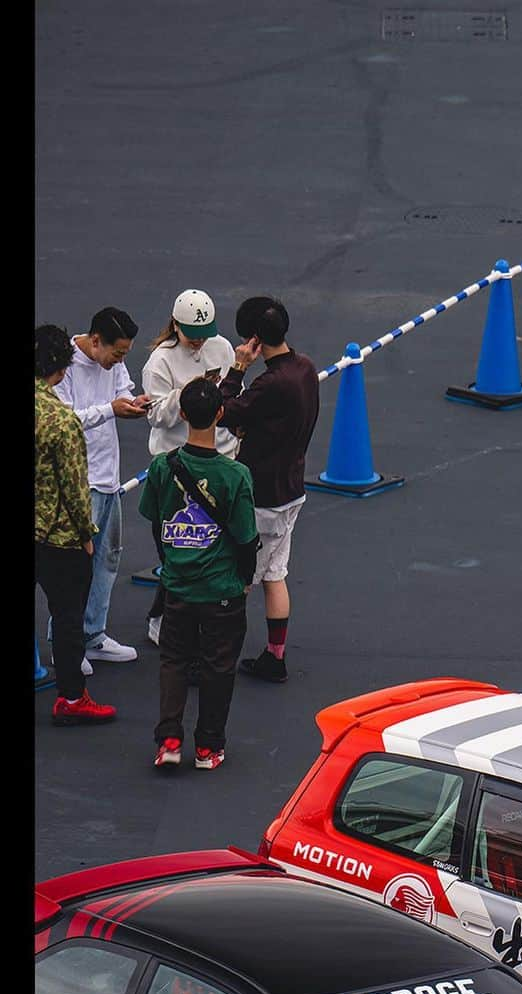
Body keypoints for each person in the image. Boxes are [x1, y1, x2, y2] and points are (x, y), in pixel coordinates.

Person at [139, 378, 258, 771]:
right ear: (220, 414)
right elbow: (244, 536)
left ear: (183, 414)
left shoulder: (162, 466)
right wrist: (245, 578)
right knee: (218, 666)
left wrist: (170, 561)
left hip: (178, 585)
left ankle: (169, 740)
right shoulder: (235, 474)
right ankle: (208, 748)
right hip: (222, 588)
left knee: (173, 660)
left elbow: (156, 521)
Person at [218, 296, 320, 684]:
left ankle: (220, 656)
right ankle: (274, 656)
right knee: (275, 574)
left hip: (261, 497)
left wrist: (237, 368)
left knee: (238, 578)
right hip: (292, 488)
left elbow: (223, 411)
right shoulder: (306, 368)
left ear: (254, 339)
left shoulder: (268, 383)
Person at [140, 289, 240, 646]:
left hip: (218, 459)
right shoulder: (160, 363)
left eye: (204, 334)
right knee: (175, 550)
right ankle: (161, 619)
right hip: (176, 466)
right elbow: (155, 416)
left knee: (212, 549)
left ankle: (193, 620)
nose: (199, 342)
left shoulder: (221, 347)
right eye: (192, 335)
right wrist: (189, 394)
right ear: (175, 326)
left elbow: (231, 393)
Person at [54, 306, 149, 668]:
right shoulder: (62, 364)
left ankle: (93, 635)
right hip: (79, 480)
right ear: (95, 341)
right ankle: (70, 643)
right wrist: (111, 409)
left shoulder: (113, 361)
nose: (120, 360)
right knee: (76, 567)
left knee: (107, 560)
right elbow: (63, 420)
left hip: (109, 478)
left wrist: (134, 400)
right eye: (118, 353)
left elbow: (122, 388)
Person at [35, 325, 116, 727]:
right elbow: (74, 485)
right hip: (56, 537)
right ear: (62, 369)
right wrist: (87, 535)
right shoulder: (60, 421)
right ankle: (70, 698)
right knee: (67, 618)